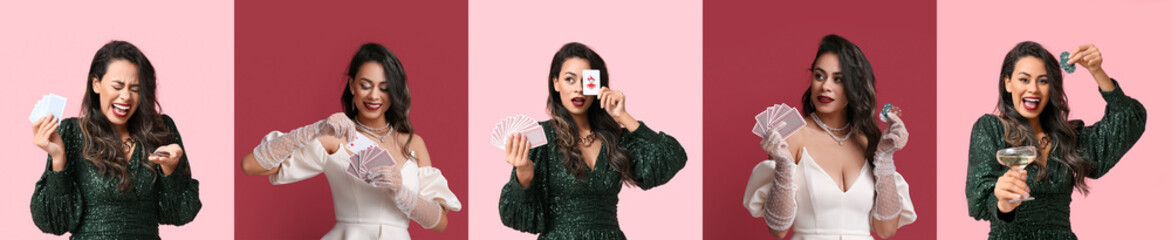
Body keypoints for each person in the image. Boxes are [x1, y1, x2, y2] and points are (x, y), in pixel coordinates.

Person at [241, 43, 461, 239]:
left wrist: (400, 191)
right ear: (352, 85)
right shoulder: (335, 138)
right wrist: (314, 130)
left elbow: (440, 223)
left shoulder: (413, 144)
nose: (374, 96)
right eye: (366, 85)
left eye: (384, 88)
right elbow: (251, 165)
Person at [497, 42, 688, 239]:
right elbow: (517, 218)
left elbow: (671, 158)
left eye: (586, 80)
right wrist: (524, 176)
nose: (578, 88)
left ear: (597, 85)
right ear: (556, 83)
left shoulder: (616, 138)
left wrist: (623, 116)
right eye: (570, 79)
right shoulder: (540, 135)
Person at [965, 41, 1146, 239]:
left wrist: (1097, 72)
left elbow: (1130, 121)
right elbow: (979, 200)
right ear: (1007, 83)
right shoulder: (991, 128)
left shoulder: (1067, 138)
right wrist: (1003, 203)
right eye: (1024, 80)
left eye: (1043, 81)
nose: (1033, 89)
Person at [743, 34, 916, 239]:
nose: (825, 86)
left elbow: (886, 231)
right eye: (819, 76)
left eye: (838, 79)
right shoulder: (792, 136)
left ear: (856, 86)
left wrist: (886, 159)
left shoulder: (868, 141)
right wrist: (783, 166)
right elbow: (777, 230)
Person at [30, 40, 202, 239]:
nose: (126, 97)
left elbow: (180, 213)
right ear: (96, 84)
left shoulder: (161, 130)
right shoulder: (71, 133)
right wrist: (58, 159)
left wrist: (171, 171)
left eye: (135, 89)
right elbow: (55, 223)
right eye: (117, 86)